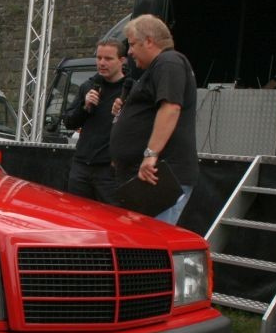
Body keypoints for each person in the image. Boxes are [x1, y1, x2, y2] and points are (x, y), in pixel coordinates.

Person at [110, 15, 198, 225]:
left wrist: (151, 154)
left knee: (151, 237)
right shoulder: (158, 67)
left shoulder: (169, 62)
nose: (129, 52)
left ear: (149, 41)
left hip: (161, 175)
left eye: (132, 44)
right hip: (148, 176)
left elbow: (171, 108)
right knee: (138, 238)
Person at [62, 39, 131, 204]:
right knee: (76, 212)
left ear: (122, 60)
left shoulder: (130, 89)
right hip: (81, 166)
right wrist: (84, 106)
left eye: (108, 58)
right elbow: (69, 122)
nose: (102, 63)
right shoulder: (89, 86)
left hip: (110, 171)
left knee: (111, 215)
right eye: (99, 58)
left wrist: (123, 113)